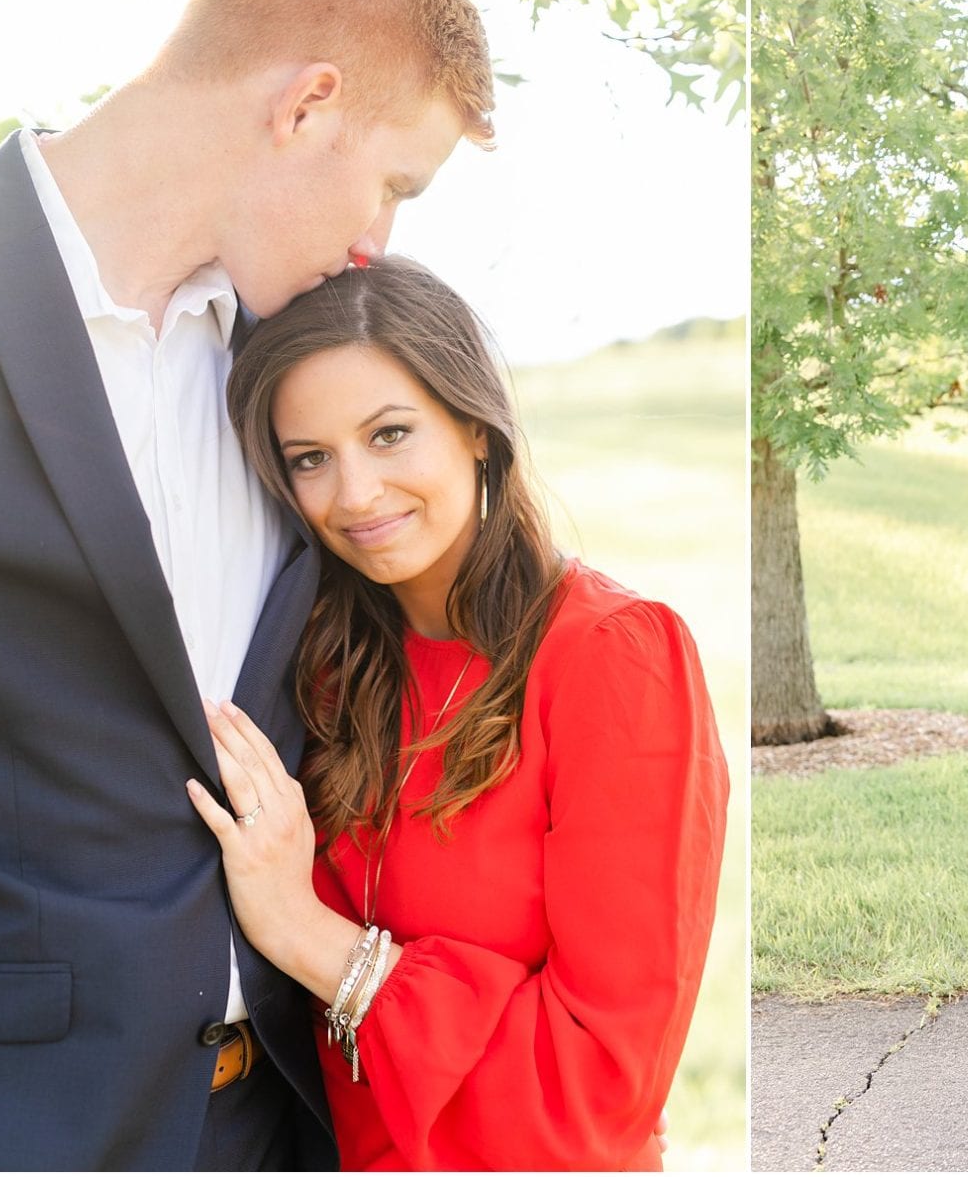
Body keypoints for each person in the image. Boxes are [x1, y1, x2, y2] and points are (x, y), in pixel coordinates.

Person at [0, 0, 492, 1168]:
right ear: (306, 105)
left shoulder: (303, 371)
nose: (381, 238)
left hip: (277, 1119)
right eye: (393, 184)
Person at [178, 259, 728, 1170]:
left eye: (390, 434)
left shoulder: (613, 658)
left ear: (476, 427)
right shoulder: (327, 662)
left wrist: (313, 939)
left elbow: (596, 1086)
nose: (353, 495)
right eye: (310, 458)